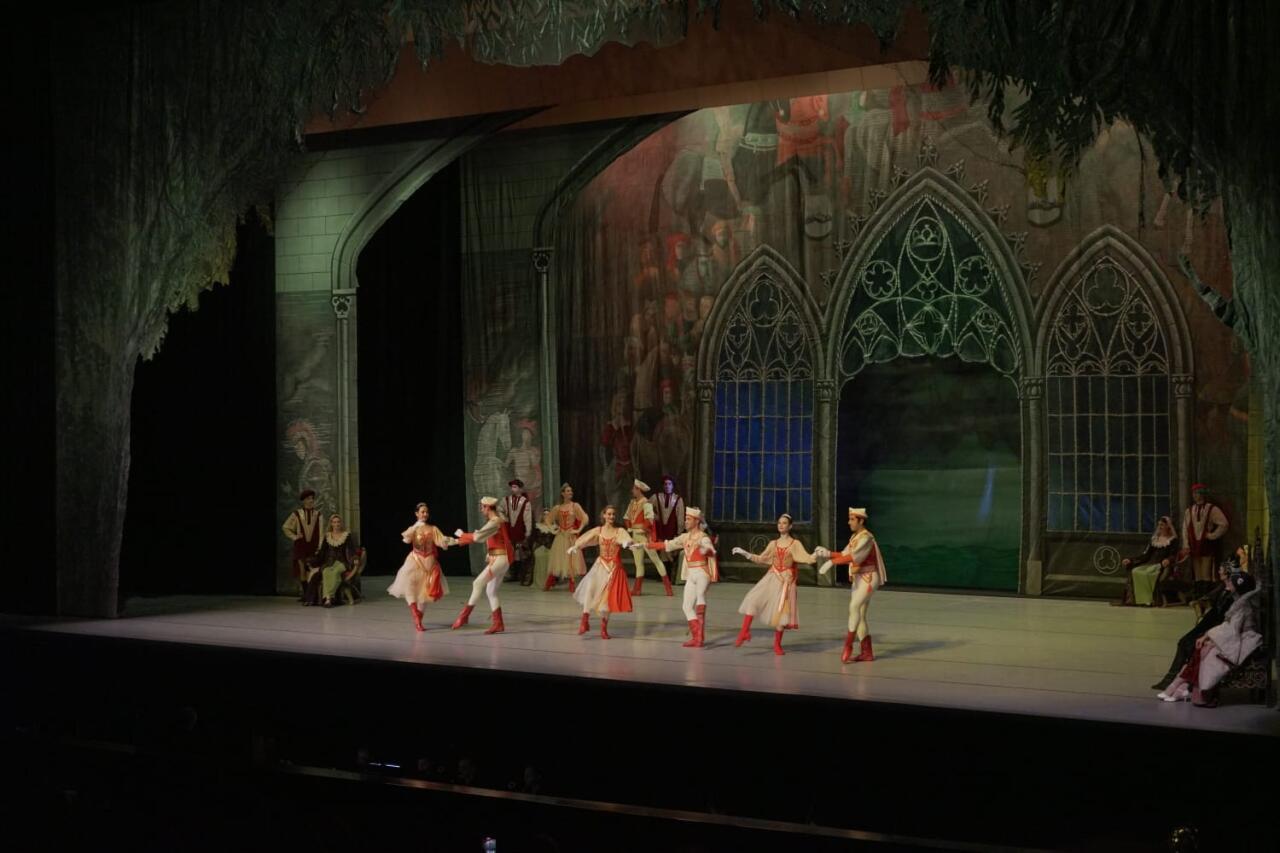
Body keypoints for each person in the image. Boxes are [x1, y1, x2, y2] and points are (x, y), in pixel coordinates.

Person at [1158, 572, 1261, 706]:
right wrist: (1209, 636)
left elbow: (1232, 630)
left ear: (1237, 587)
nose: (1228, 582)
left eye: (1231, 581)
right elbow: (1229, 627)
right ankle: (1181, 686)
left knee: (1205, 651)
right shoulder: (1238, 602)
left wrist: (1210, 637)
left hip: (1243, 640)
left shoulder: (1243, 606)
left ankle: (1181, 684)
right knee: (1202, 649)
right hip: (1234, 636)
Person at [731, 513, 818, 656]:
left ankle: (777, 644)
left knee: (781, 614)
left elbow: (807, 558)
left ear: (790, 526)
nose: (781, 525)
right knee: (753, 600)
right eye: (779, 523)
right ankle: (744, 632)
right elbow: (762, 558)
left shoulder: (795, 544)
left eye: (784, 523)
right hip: (772, 577)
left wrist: (817, 553)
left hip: (785, 582)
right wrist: (745, 553)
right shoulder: (773, 544)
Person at [815, 507, 888, 663]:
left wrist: (831, 562)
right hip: (858, 578)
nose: (849, 522)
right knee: (860, 614)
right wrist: (827, 553)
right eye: (849, 519)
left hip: (868, 578)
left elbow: (854, 557)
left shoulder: (866, 538)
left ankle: (848, 645)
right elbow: (844, 554)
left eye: (852, 519)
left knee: (854, 607)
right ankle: (867, 653)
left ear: (861, 521)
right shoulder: (855, 537)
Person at [1151, 563, 1236, 690]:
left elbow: (1224, 617)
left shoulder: (1232, 593)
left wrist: (1208, 632)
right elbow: (1211, 601)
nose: (1219, 571)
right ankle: (1172, 679)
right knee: (1184, 642)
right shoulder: (1223, 587)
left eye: (1221, 570)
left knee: (1189, 644)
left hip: (1216, 627)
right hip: (1208, 622)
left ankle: (1183, 681)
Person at [649, 507, 717, 647]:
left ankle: (699, 637)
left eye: (688, 519)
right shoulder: (685, 537)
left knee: (700, 596)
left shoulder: (703, 537)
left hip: (702, 572)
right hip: (691, 574)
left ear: (696, 521)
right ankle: (697, 636)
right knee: (686, 606)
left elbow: (709, 549)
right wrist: (646, 545)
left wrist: (707, 549)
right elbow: (668, 544)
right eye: (685, 519)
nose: (685, 521)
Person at [566, 506, 637, 639]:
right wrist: (575, 547)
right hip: (600, 565)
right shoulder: (598, 530)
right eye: (609, 514)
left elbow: (626, 540)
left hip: (614, 569)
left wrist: (627, 544)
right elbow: (586, 539)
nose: (611, 516)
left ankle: (603, 628)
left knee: (606, 600)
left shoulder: (619, 531)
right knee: (590, 589)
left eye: (613, 514)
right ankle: (584, 620)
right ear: (603, 515)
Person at [387, 503, 456, 631]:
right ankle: (415, 615)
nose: (425, 514)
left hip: (429, 563)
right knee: (410, 587)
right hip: (414, 561)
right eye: (422, 512)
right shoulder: (413, 528)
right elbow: (406, 540)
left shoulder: (433, 528)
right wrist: (415, 527)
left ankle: (419, 619)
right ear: (417, 513)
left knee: (425, 593)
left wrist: (450, 541)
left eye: (426, 512)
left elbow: (440, 542)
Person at [451, 497, 515, 635]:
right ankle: (498, 623)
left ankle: (464, 616)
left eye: (482, 507)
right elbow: (481, 536)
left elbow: (478, 537)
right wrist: (455, 541)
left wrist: (462, 534)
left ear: (487, 507)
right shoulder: (495, 522)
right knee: (491, 591)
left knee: (477, 583)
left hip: (500, 559)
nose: (481, 510)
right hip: (500, 559)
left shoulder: (495, 522)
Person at [1117, 516, 1180, 606]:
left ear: (1168, 526)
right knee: (1135, 571)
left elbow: (1173, 554)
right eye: (1159, 525)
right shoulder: (1154, 539)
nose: (1160, 527)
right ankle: (1140, 600)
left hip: (1161, 566)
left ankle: (1149, 599)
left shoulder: (1172, 540)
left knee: (1146, 574)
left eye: (1162, 525)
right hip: (1150, 564)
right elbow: (1146, 555)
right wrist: (1131, 560)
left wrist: (1168, 560)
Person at [1178, 483, 1228, 595]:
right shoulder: (1189, 510)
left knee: (1206, 573)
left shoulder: (1211, 509)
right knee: (1197, 574)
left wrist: (1212, 535)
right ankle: (1198, 595)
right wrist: (1186, 544)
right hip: (1194, 544)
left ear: (1203, 494)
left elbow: (1224, 524)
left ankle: (1206, 597)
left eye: (1198, 493)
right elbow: (1185, 529)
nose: (1196, 495)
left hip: (1205, 544)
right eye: (1194, 493)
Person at [624, 479, 671, 596]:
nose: (632, 491)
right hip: (635, 535)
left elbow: (650, 520)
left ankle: (668, 588)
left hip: (645, 536)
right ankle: (637, 589)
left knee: (656, 560)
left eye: (634, 489)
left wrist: (643, 529)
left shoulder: (646, 503)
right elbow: (626, 517)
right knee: (638, 563)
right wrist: (629, 527)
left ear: (638, 490)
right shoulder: (632, 503)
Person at [304, 513, 361, 608]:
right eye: (334, 522)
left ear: (341, 523)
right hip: (329, 562)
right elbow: (322, 552)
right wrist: (313, 560)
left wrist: (355, 558)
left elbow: (351, 550)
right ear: (331, 523)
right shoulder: (327, 536)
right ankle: (328, 600)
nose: (336, 524)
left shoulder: (346, 535)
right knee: (326, 571)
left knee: (335, 572)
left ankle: (329, 598)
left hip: (342, 562)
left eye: (338, 522)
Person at [546, 483, 588, 591]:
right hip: (560, 537)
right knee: (558, 559)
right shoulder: (558, 507)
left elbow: (584, 518)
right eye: (568, 491)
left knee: (571, 559)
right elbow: (548, 519)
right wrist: (553, 530)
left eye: (571, 491)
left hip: (570, 536)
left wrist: (578, 530)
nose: (570, 492)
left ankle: (572, 583)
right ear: (563, 493)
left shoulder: (575, 506)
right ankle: (549, 582)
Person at [282, 489, 323, 599]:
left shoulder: (318, 515)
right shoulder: (296, 514)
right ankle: (305, 594)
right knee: (302, 570)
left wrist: (319, 547)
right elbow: (286, 527)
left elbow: (321, 533)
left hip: (313, 546)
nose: (311, 500)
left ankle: (311, 594)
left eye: (312, 498)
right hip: (301, 546)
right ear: (304, 500)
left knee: (312, 569)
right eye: (308, 499)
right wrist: (294, 536)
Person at [503, 478, 534, 585]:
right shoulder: (506, 500)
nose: (513, 489)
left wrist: (528, 531)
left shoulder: (525, 502)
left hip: (520, 530)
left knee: (521, 553)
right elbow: (500, 510)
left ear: (520, 488)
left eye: (515, 487)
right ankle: (512, 574)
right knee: (510, 552)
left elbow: (527, 518)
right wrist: (504, 519)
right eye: (512, 487)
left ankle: (522, 575)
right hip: (509, 530)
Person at [653, 475, 685, 577]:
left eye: (669, 484)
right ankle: (663, 574)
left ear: (672, 486)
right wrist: (654, 516)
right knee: (662, 549)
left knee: (671, 550)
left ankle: (671, 573)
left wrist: (679, 531)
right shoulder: (657, 497)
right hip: (661, 529)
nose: (667, 486)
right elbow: (647, 508)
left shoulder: (678, 499)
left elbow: (680, 516)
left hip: (672, 529)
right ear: (663, 486)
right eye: (665, 484)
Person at [529, 509, 557, 591]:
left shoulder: (554, 527)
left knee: (549, 558)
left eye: (548, 515)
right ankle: (539, 582)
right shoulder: (538, 527)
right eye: (545, 515)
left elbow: (555, 540)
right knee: (539, 555)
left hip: (550, 548)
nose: (546, 516)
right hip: (539, 547)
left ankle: (548, 583)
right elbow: (533, 538)